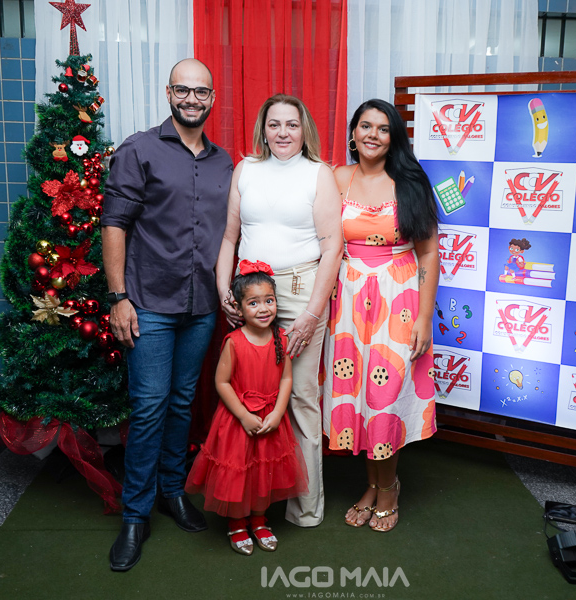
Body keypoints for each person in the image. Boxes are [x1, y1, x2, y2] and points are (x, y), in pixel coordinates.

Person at [102, 58, 233, 571]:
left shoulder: (225, 163)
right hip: (149, 303)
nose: (192, 99)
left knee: (182, 403)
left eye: (201, 92)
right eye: (183, 90)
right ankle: (135, 515)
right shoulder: (139, 149)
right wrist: (118, 297)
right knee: (150, 407)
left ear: (212, 98)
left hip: (201, 306)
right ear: (168, 93)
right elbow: (114, 224)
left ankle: (172, 492)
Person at [216, 94, 342, 527]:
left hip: (301, 292)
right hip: (249, 292)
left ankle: (305, 507)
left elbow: (332, 248)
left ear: (304, 129)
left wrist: (311, 314)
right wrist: (223, 289)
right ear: (263, 129)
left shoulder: (318, 174)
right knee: (250, 393)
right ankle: (252, 500)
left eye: (292, 124)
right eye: (275, 124)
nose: (283, 132)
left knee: (301, 396)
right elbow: (230, 237)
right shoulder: (246, 169)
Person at [322, 99, 439, 532]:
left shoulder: (410, 182)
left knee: (384, 396)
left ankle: (389, 489)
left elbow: (428, 252)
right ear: (353, 133)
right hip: (348, 300)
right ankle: (372, 485)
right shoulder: (338, 178)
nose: (373, 134)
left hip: (399, 298)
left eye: (383, 128)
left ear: (394, 138)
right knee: (356, 395)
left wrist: (424, 318)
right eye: (365, 126)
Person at [185, 261, 308, 555]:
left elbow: (286, 378)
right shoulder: (234, 342)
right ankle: (238, 523)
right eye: (253, 303)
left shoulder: (281, 338)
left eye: (269, 300)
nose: (263, 309)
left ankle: (259, 520)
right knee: (240, 473)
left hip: (270, 419)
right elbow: (222, 382)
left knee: (264, 473)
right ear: (239, 310)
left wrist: (278, 413)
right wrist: (243, 415)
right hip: (239, 422)